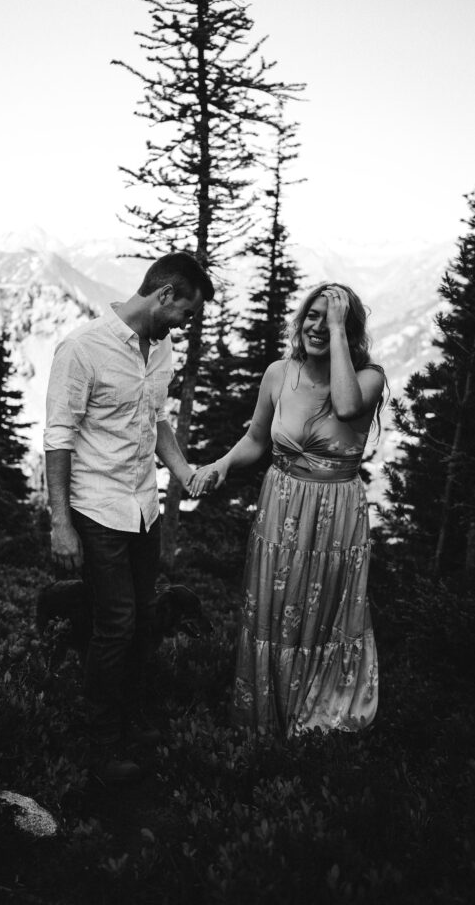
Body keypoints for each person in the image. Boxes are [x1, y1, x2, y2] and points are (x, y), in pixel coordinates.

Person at [43, 251, 215, 783]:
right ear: (165, 295)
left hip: (143, 506)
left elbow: (157, 419)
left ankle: (126, 721)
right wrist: (60, 522)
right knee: (115, 623)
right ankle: (99, 741)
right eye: (185, 311)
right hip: (95, 507)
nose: (186, 324)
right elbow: (58, 437)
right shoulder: (82, 347)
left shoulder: (160, 349)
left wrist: (182, 471)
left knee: (140, 620)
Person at [189, 283, 386, 737]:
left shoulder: (368, 377)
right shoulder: (279, 372)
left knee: (323, 611)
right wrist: (220, 465)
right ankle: (267, 718)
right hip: (281, 505)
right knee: (275, 608)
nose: (318, 325)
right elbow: (257, 439)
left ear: (348, 329)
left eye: (331, 318)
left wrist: (338, 332)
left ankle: (315, 721)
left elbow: (346, 405)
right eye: (312, 315)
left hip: (335, 512)